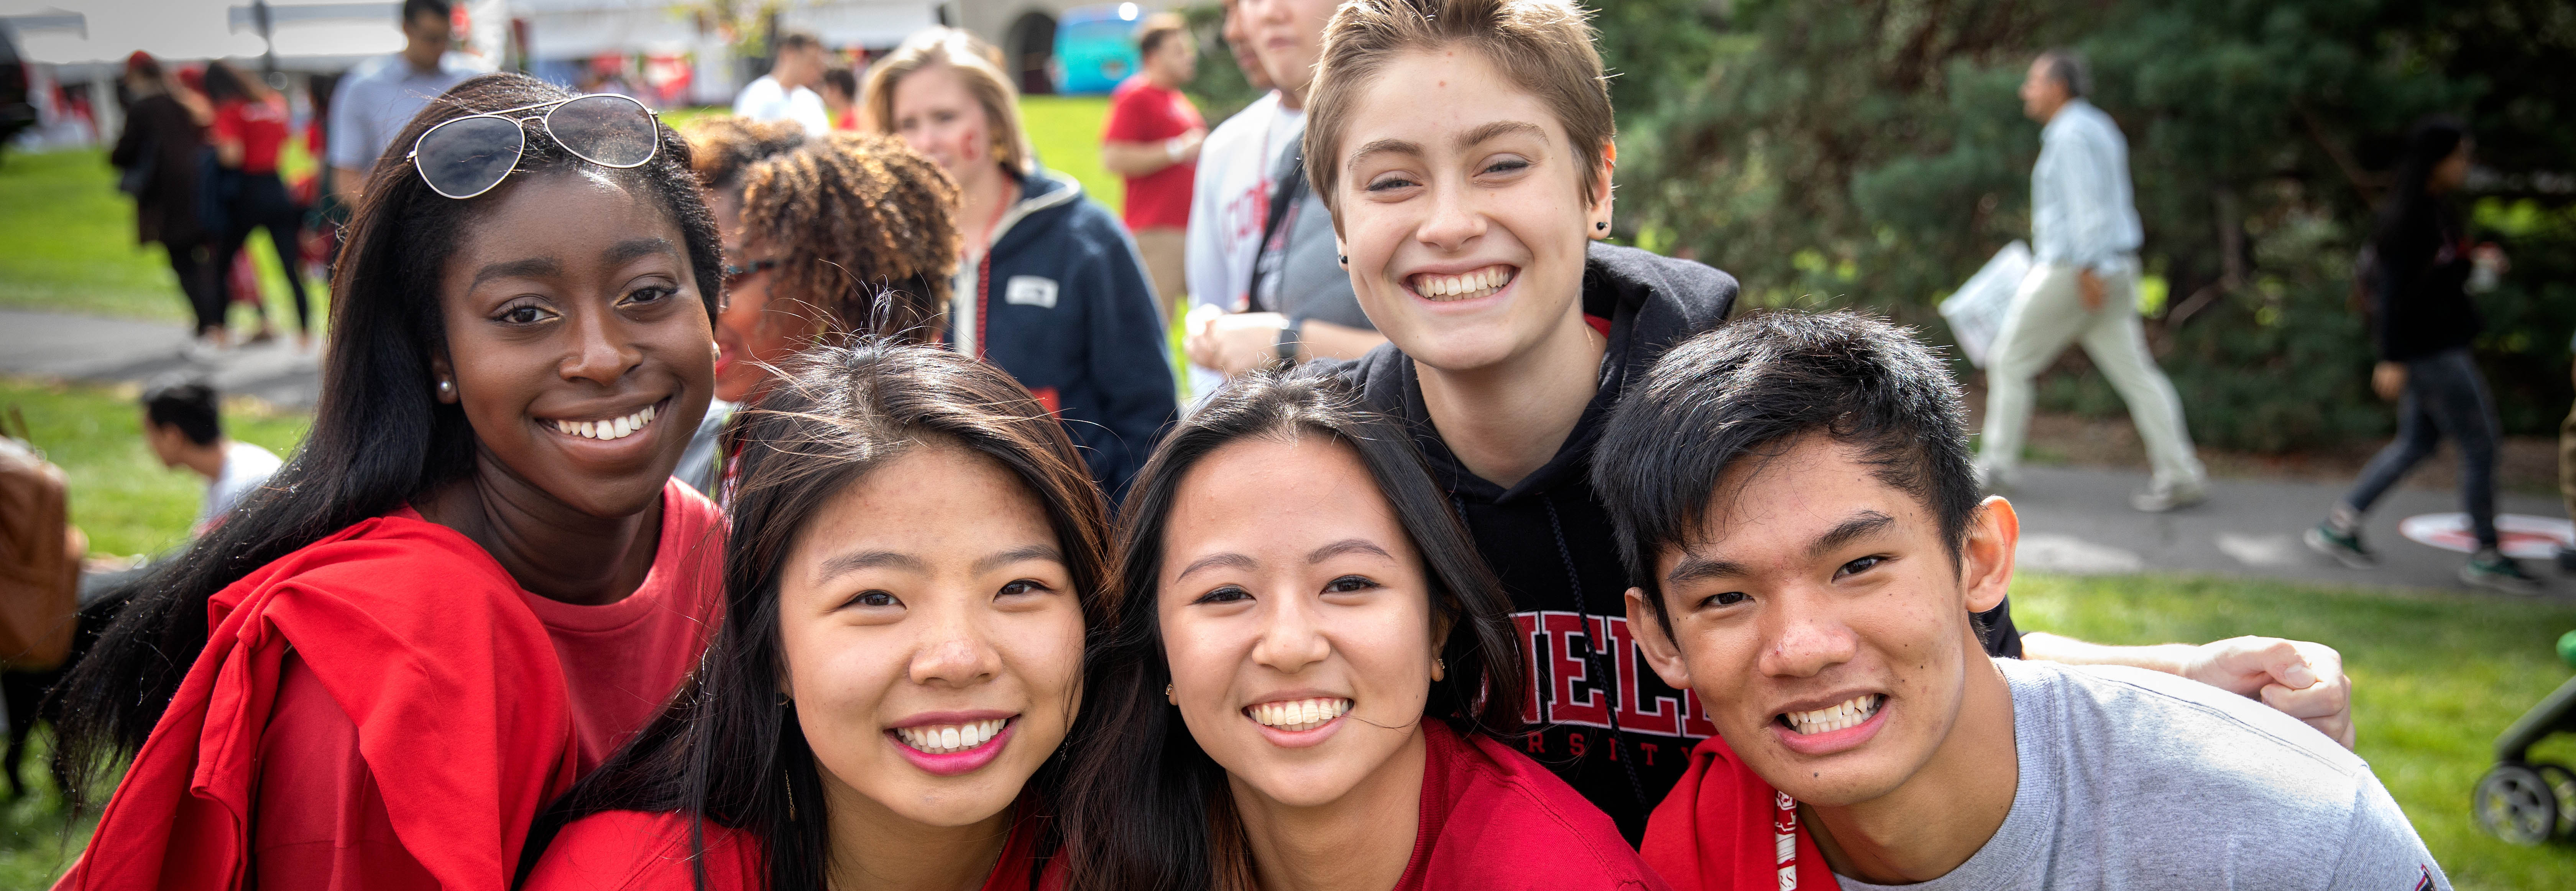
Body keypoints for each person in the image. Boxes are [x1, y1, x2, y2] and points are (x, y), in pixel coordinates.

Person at [1299, 0, 2358, 843]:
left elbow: (1941, 662)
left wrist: (2182, 674)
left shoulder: (1767, 429)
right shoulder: (1330, 481)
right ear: (1341, 225)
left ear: (1596, 183)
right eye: (1393, 180)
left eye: (1502, 162)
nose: (1448, 221)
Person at [55, 74, 728, 890]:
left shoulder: (713, 549)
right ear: (437, 356)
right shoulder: (382, 664)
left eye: (648, 295)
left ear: (710, 309)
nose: (601, 354)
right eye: (523, 313)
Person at [1598, 311, 2449, 889]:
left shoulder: (2279, 824)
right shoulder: (1698, 853)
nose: (1803, 646)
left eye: (1858, 566)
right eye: (1727, 597)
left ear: (1979, 557)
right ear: (1660, 638)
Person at [523, 343, 1103, 891]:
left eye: (1019, 587)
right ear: (770, 646)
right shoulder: (632, 874)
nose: (957, 659)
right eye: (875, 599)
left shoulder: (1152, 848)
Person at [1060, 368, 1666, 890]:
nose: (1291, 646)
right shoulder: (1103, 858)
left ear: (1438, 627)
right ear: (1160, 650)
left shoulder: (1562, 875)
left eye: (1349, 584)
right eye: (1225, 594)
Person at [864, 27, 1176, 503]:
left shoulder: (1085, 237)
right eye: (907, 124)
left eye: (945, 117)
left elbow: (1148, 415)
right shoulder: (884, 251)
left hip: (1074, 543)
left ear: (993, 118)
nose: (925, 141)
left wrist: (1121, 544)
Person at [2305, 118, 2541, 594]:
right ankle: (2488, 553)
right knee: (2481, 443)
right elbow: (2392, 294)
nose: (2466, 165)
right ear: (2437, 161)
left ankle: (2340, 523)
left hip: (2438, 344)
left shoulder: (2437, 210)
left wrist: (2476, 263)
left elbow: (2437, 277)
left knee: (2416, 443)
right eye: (2461, 156)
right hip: (2431, 351)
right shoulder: (2410, 216)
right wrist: (2390, 356)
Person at [672, 116, 961, 496]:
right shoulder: (721, 437)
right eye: (686, 278)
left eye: (730, 276)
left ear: (832, 280)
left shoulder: (893, 467)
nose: (701, 306)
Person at [1975, 50, 2209, 512]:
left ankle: (1997, 466)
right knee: (2137, 374)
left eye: (2033, 82)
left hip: (2078, 270)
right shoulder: (2097, 125)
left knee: (2009, 360)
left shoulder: (2071, 134)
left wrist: (2089, 267)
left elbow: (2089, 207)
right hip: (2113, 267)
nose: (2026, 91)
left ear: (2058, 87)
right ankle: (2181, 473)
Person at [1184, 0, 1386, 380]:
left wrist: (1286, 342)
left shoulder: (1403, 129)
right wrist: (1213, 331)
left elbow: (1443, 348)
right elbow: (1211, 298)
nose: (1268, 14)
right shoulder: (1226, 148)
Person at [109, 52, 222, 353]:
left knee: (184, 263)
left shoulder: (145, 108)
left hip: (169, 200)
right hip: (202, 193)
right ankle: (215, 323)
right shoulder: (185, 102)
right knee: (205, 261)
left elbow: (122, 154)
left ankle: (208, 325)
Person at [203, 61, 316, 352]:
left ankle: (220, 332)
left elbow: (232, 156)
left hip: (247, 193)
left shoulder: (230, 110)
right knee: (290, 266)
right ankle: (304, 333)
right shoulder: (272, 104)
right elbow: (288, 140)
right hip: (277, 189)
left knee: (223, 263)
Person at [1100, 12, 1206, 321]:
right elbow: (1113, 158)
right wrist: (1176, 150)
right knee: (1152, 325)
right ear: (1154, 56)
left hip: (1191, 229)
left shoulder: (1178, 99)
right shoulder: (1135, 96)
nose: (1189, 57)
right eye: (1179, 51)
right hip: (1157, 231)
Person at [327, 0, 483, 205]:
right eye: (431, 38)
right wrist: (394, 218)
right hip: (397, 216)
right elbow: (346, 179)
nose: (440, 48)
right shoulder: (363, 87)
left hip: (470, 209)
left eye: (447, 38)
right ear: (406, 28)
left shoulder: (475, 79)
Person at [140, 376, 284, 537]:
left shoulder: (243, 489)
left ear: (172, 436)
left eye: (149, 433)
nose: (148, 444)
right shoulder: (235, 464)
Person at [733, 31, 832, 137]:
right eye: (811, 61)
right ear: (789, 53)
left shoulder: (813, 100)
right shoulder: (758, 96)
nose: (817, 69)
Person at [819, 65, 861, 131]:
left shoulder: (852, 124)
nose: (824, 94)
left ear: (835, 90)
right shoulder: (843, 119)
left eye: (826, 88)